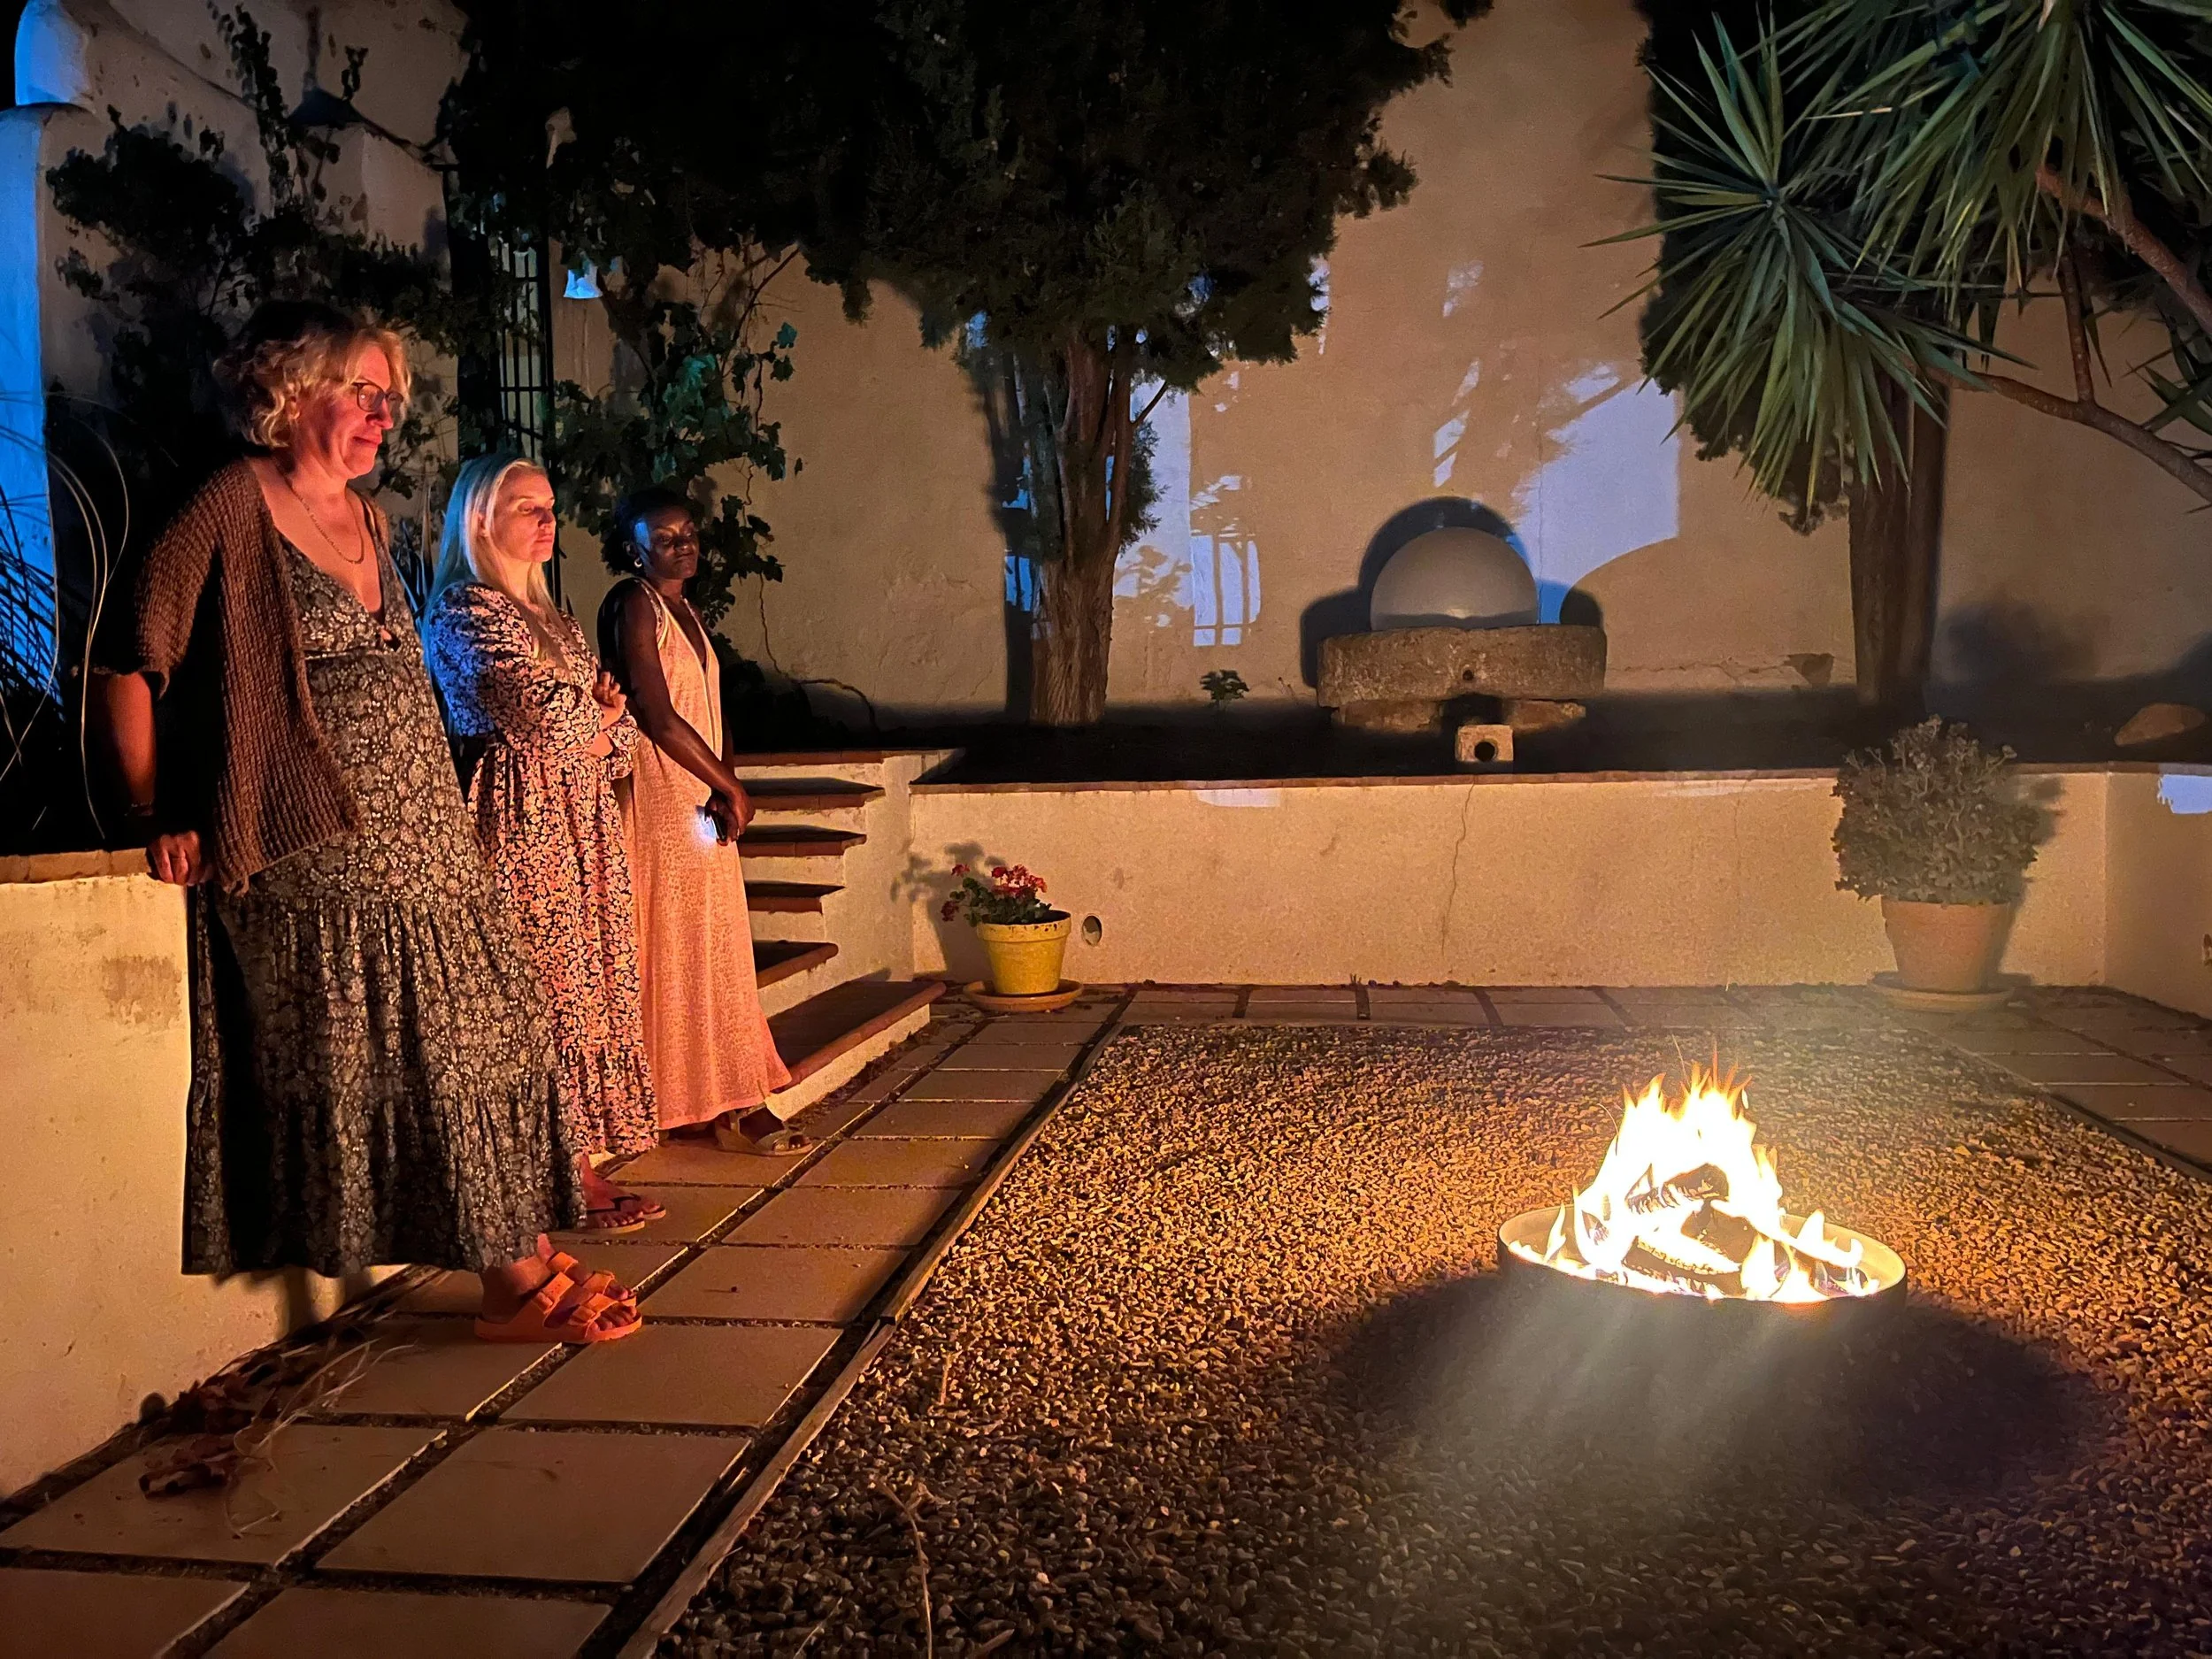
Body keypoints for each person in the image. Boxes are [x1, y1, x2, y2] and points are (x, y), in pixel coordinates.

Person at [96, 301, 637, 1344]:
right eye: (364, 393)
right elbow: (132, 656)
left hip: (427, 838)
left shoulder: (372, 521)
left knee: (498, 1035)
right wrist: (153, 808)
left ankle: (520, 1243)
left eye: (391, 399)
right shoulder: (226, 503)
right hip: (318, 846)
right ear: (294, 391)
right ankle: (511, 1282)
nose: (385, 416)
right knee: (432, 1053)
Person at [424, 454, 666, 1231]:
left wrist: (594, 720)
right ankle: (563, 1173)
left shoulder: (551, 618)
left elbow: (620, 740)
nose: (546, 519)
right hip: (522, 819)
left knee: (588, 990)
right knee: (546, 992)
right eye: (526, 505)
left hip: (583, 822)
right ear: (480, 519)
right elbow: (543, 716)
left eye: (550, 506)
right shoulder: (466, 610)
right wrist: (590, 717)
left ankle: (578, 1159)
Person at [598, 487, 799, 1152]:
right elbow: (656, 716)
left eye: (687, 533)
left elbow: (712, 710)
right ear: (635, 550)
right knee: (678, 941)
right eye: (664, 538)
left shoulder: (687, 607)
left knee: (717, 941)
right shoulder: (634, 603)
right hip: (662, 792)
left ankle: (723, 1092)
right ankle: (690, 1099)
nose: (683, 545)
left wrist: (725, 783)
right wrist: (727, 785)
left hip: (701, 792)